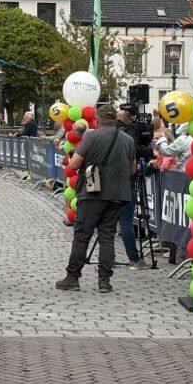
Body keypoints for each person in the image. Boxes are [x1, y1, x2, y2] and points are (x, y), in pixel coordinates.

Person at [56, 104, 136, 293]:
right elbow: (132, 170)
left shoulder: (91, 136)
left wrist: (71, 158)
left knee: (82, 236)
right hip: (117, 195)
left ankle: (73, 277)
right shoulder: (127, 139)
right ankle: (104, 280)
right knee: (107, 237)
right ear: (114, 120)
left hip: (92, 193)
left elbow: (75, 164)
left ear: (98, 119)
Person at [115, 110, 148, 269]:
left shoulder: (98, 135)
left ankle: (107, 258)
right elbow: (133, 169)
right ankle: (134, 258)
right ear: (128, 120)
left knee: (107, 224)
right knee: (126, 221)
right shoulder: (128, 137)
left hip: (106, 186)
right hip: (126, 183)